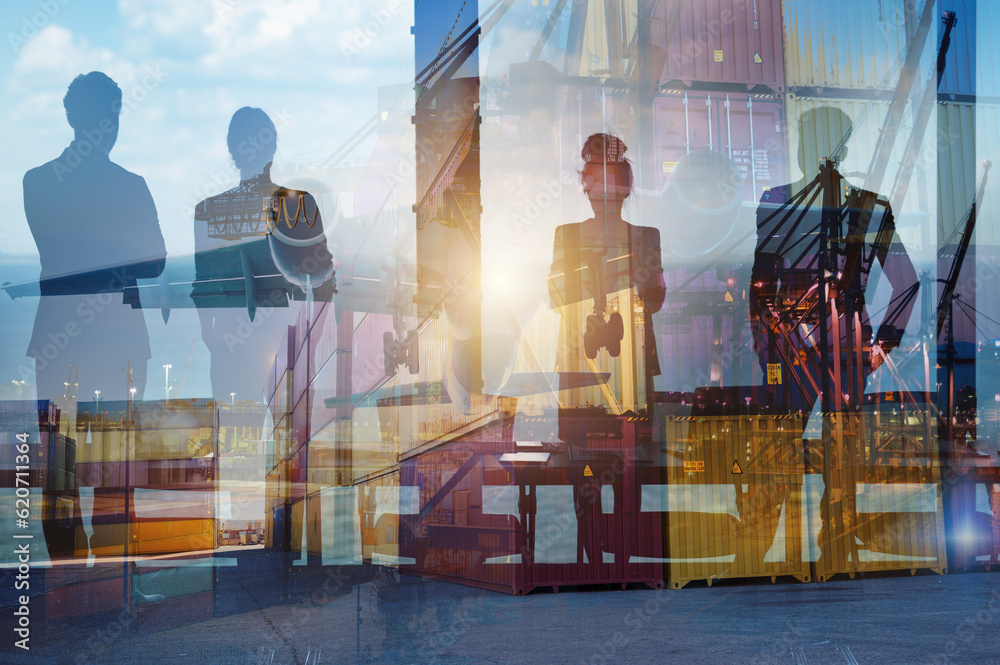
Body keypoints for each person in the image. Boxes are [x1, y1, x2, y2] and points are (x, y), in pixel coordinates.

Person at [748, 106, 918, 572]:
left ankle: (772, 553)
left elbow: (760, 285)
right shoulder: (858, 205)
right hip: (829, 348)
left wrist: (880, 344)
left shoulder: (786, 201)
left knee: (805, 454)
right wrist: (880, 345)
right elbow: (759, 285)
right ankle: (831, 550)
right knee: (823, 456)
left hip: (817, 348)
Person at [547, 133, 665, 572]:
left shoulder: (644, 237)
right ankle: (595, 558)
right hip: (583, 369)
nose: (600, 188)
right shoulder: (568, 237)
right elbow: (557, 295)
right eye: (594, 178)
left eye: (605, 177)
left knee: (627, 469)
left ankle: (618, 558)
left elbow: (653, 298)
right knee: (585, 471)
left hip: (626, 369)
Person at [22, 71, 166, 404]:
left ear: (71, 117)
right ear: (112, 122)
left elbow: (57, 250)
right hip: (120, 339)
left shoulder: (38, 182)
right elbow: (156, 262)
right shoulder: (132, 186)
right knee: (116, 449)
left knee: (55, 450)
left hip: (57, 336)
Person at [193, 107, 333, 402]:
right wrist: (308, 342)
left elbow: (201, 286)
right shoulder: (300, 204)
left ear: (233, 150)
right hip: (286, 338)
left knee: (233, 437)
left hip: (230, 346)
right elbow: (322, 284)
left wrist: (213, 339)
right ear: (272, 148)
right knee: (292, 438)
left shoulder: (207, 211)